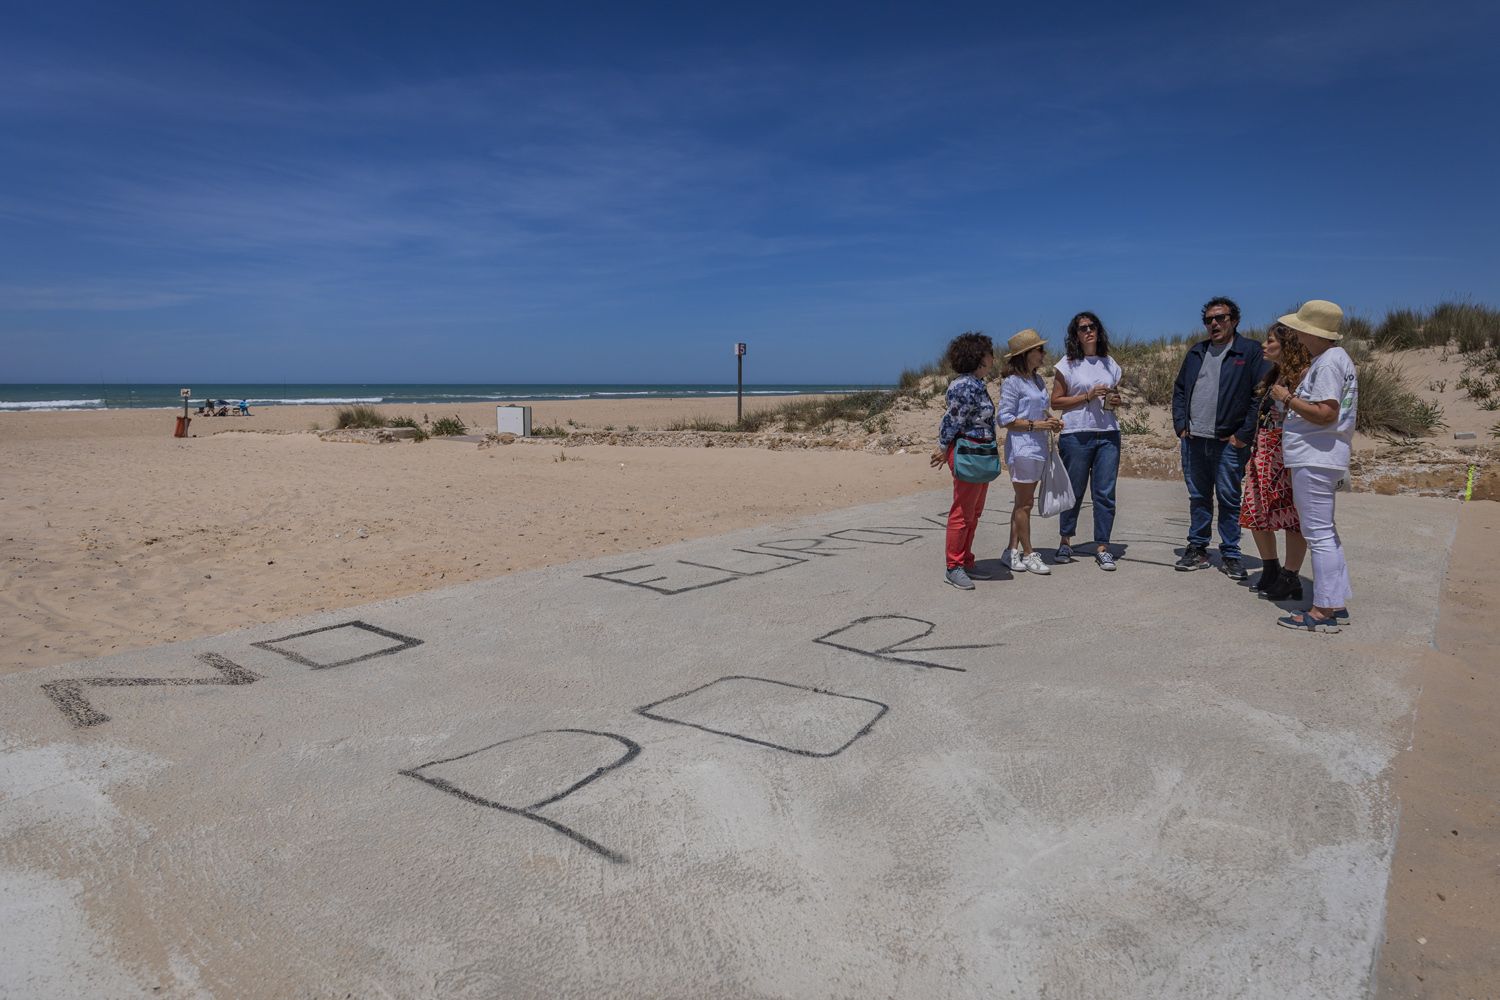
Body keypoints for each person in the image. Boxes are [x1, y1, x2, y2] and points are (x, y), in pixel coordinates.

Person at [1270, 300, 1357, 633]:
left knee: (1318, 534)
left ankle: (1322, 611)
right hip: (1319, 455)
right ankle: (1334, 601)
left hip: (1315, 456)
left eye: (1299, 328)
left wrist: (1287, 398)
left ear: (1312, 332)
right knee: (1325, 532)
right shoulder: (1333, 359)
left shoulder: (1330, 362)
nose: (1295, 334)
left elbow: (1326, 413)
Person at [1171, 296, 1266, 579]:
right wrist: (1181, 426)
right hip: (1194, 439)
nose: (1214, 324)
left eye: (1220, 318)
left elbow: (1259, 396)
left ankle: (1231, 553)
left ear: (1234, 320)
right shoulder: (1197, 351)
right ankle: (1198, 548)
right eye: (1209, 320)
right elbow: (1179, 390)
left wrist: (1243, 435)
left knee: (1229, 498)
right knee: (1199, 497)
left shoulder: (1249, 351)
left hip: (1228, 441)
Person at [1240, 322, 1311, 599]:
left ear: (1288, 345)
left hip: (1287, 453)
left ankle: (1290, 576)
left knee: (1292, 517)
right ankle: (1270, 567)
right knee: (1255, 511)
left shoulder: (1303, 376)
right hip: (1263, 451)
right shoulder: (1274, 375)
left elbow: (1312, 415)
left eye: (1270, 341)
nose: (1264, 345)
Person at [1050, 311, 1123, 571]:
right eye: (1083, 328)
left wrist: (1115, 400)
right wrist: (1087, 397)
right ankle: (1065, 540)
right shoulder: (1067, 364)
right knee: (1074, 490)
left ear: (1099, 331)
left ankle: (1102, 546)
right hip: (1076, 433)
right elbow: (1055, 401)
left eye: (1092, 326)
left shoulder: (1110, 363)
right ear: (1076, 335)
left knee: (1104, 492)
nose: (1089, 331)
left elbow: (1113, 395)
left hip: (1108, 432)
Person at [930, 332, 998, 590]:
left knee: (974, 511)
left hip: (980, 451)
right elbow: (952, 420)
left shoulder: (977, 384)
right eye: (990, 353)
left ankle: (966, 560)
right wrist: (942, 447)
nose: (993, 358)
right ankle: (954, 566)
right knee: (963, 511)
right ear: (979, 357)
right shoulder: (964, 386)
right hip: (968, 451)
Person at [997, 329, 1063, 575]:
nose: (1044, 354)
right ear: (1026, 354)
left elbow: (1039, 411)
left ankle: (1011, 550)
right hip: (1022, 448)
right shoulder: (1012, 382)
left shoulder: (1037, 380)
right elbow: (1005, 419)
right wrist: (1038, 425)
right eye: (1039, 350)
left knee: (1022, 503)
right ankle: (1028, 553)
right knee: (1025, 504)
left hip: (1038, 447)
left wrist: (1051, 421)